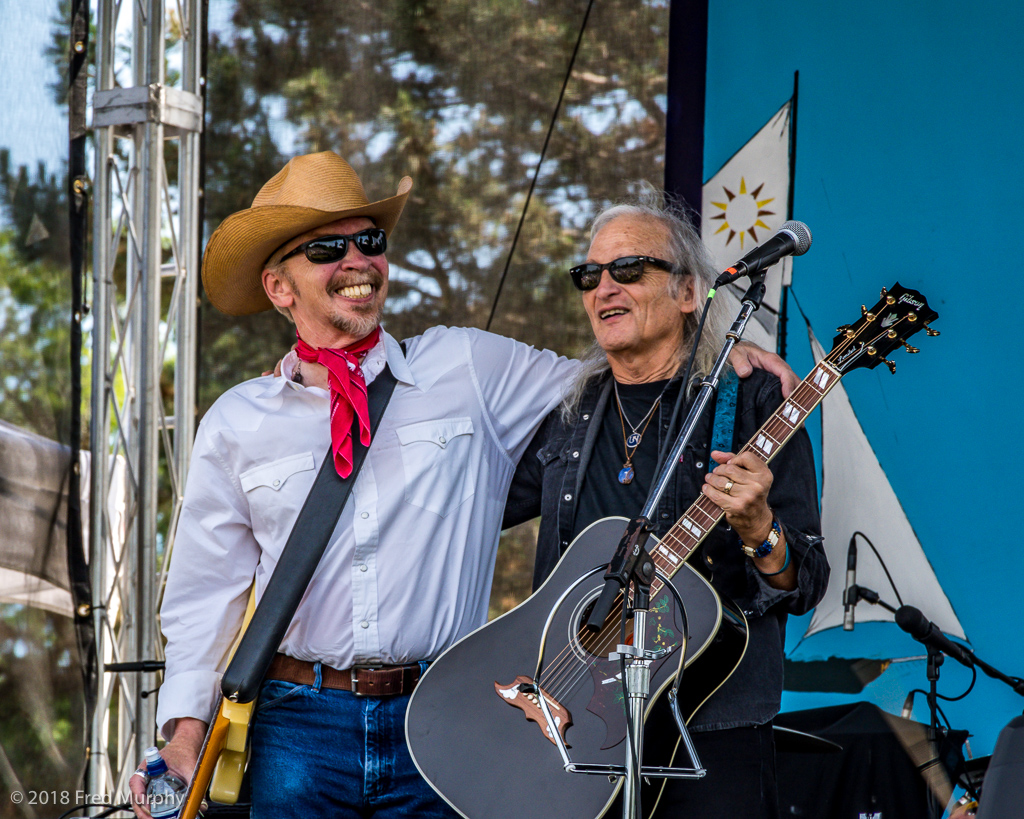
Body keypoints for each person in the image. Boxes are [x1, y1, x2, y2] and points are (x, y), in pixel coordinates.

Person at [129, 150, 797, 819]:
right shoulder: (236, 422)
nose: (357, 261)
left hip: (443, 715)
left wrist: (716, 347)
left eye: (370, 241)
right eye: (328, 248)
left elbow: (623, 364)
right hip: (299, 727)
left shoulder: (467, 365)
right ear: (279, 288)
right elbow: (201, 598)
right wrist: (183, 738)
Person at [503, 192, 829, 819]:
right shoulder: (568, 414)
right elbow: (463, 508)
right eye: (589, 275)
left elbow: (804, 583)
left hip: (713, 729)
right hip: (579, 727)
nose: (604, 288)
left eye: (628, 269)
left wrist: (760, 528)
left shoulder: (754, 401)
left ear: (688, 294)